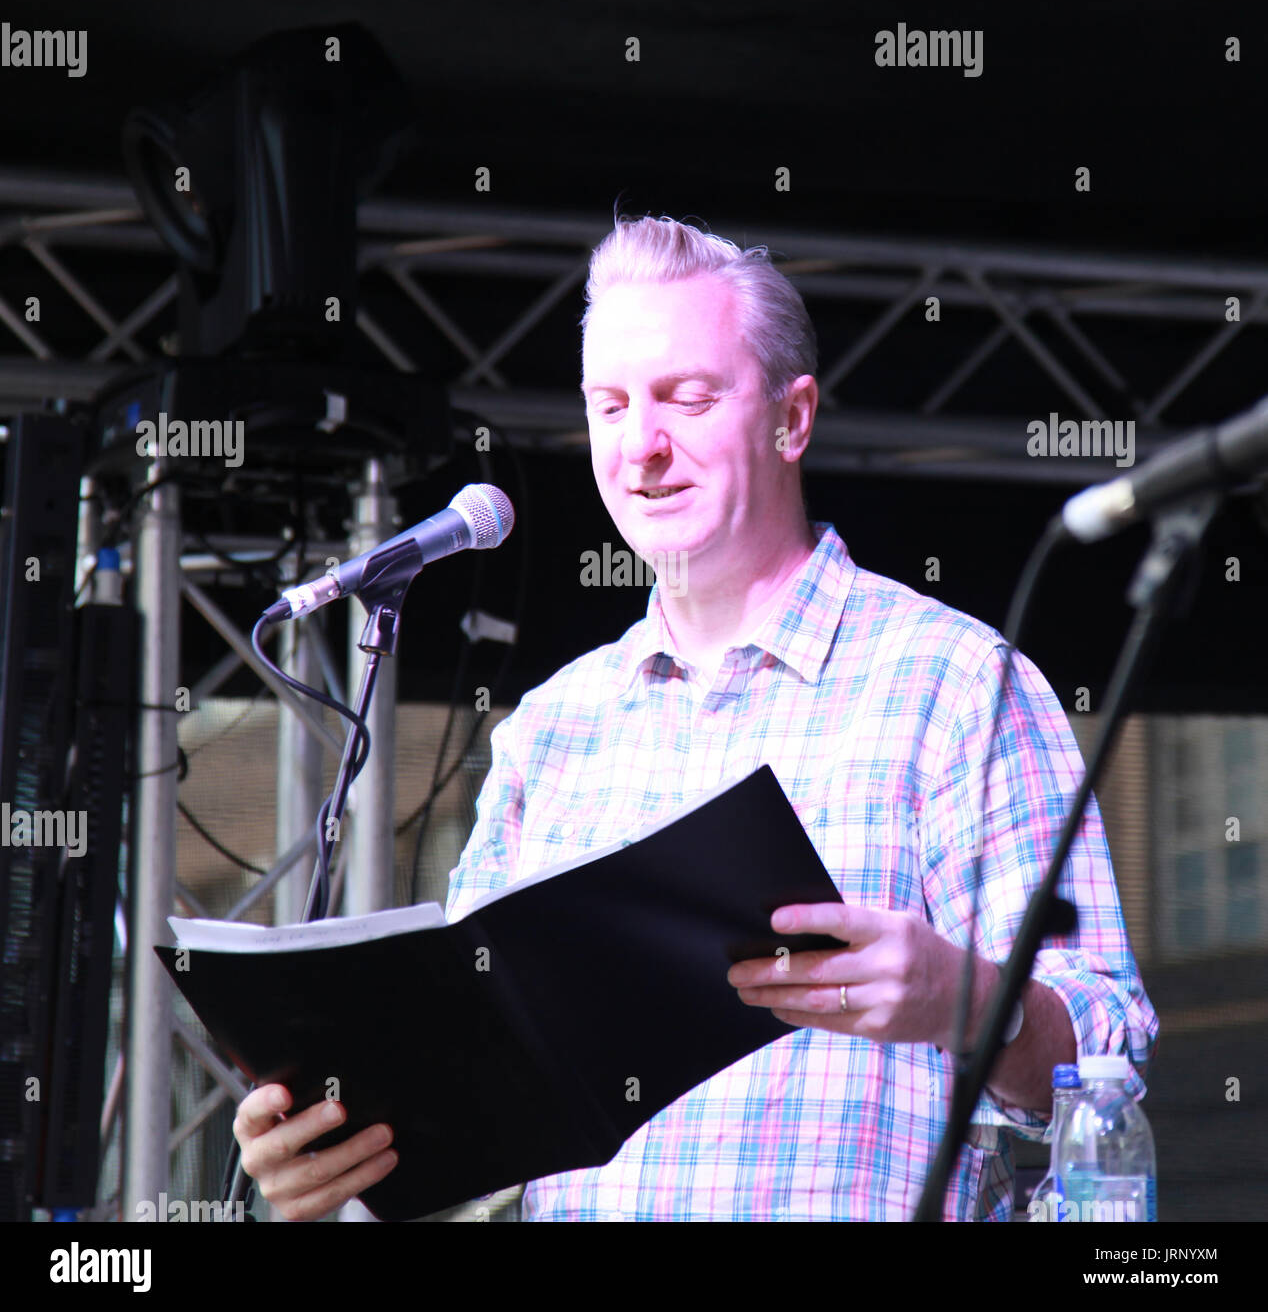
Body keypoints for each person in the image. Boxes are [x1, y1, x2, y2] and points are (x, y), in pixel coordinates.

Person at [235, 214, 1159, 1221]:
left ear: (790, 418)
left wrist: (959, 1000)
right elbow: (473, 1092)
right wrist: (335, 1156)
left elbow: (1105, 1047)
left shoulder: (955, 685)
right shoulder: (551, 730)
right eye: (610, 405)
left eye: (687, 396)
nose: (642, 446)